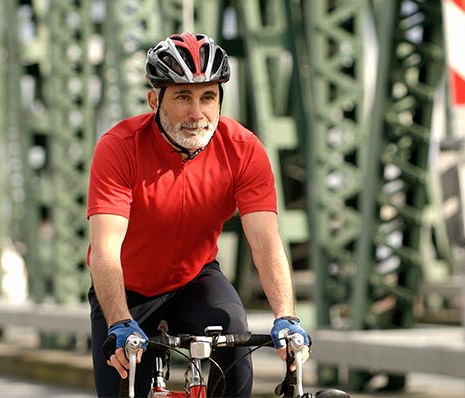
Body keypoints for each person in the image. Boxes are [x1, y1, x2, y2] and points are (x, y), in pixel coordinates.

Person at [86, 32, 310, 397]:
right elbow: (105, 250)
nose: (197, 113)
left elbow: (266, 242)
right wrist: (119, 320)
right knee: (122, 384)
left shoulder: (243, 149)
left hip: (194, 278)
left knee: (233, 330)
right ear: (154, 100)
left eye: (208, 97)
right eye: (182, 97)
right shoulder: (119, 148)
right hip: (128, 287)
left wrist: (286, 317)